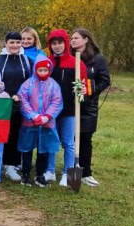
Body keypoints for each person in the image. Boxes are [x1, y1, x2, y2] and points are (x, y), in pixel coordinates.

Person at [0, 32, 33, 182]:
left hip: (21, 103)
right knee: (2, 133)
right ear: (6, 44)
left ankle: (12, 164)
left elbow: (31, 81)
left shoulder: (26, 60)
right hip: (1, 103)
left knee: (16, 133)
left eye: (18, 43)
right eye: (12, 42)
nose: (15, 45)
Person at [45, 30, 87, 186]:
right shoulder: (47, 62)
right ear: (50, 45)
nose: (57, 46)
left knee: (69, 142)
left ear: (66, 43)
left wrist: (83, 90)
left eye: (60, 43)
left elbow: (84, 84)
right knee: (51, 139)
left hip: (69, 109)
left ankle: (67, 173)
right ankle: (50, 170)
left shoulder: (76, 62)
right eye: (54, 44)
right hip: (51, 110)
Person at [71, 28, 111, 187]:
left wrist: (90, 91)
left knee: (85, 138)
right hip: (70, 104)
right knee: (70, 138)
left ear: (86, 39)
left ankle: (85, 172)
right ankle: (71, 168)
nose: (73, 41)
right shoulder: (70, 58)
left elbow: (104, 80)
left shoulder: (98, 59)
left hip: (88, 106)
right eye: (71, 38)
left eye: (76, 38)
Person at [17, 55, 63, 187]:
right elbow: (23, 100)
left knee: (44, 149)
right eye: (40, 70)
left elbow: (57, 102)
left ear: (49, 71)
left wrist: (47, 116)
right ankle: (25, 174)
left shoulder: (54, 85)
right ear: (35, 70)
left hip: (47, 124)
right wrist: (32, 115)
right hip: (29, 123)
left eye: (45, 70)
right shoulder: (27, 84)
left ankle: (40, 174)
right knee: (27, 148)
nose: (42, 73)